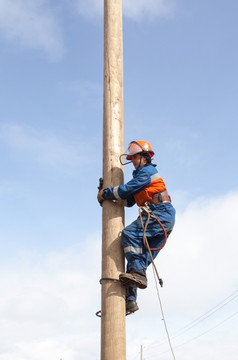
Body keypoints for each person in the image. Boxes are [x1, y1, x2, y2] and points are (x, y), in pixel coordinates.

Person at [97, 140, 175, 315]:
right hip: (163, 217)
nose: (132, 160)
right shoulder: (141, 178)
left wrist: (106, 193)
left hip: (160, 213)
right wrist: (108, 199)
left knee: (129, 234)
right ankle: (130, 301)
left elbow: (125, 190)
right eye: (131, 158)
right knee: (136, 264)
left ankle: (136, 280)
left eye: (135, 157)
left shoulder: (146, 172)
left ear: (145, 158)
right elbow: (128, 201)